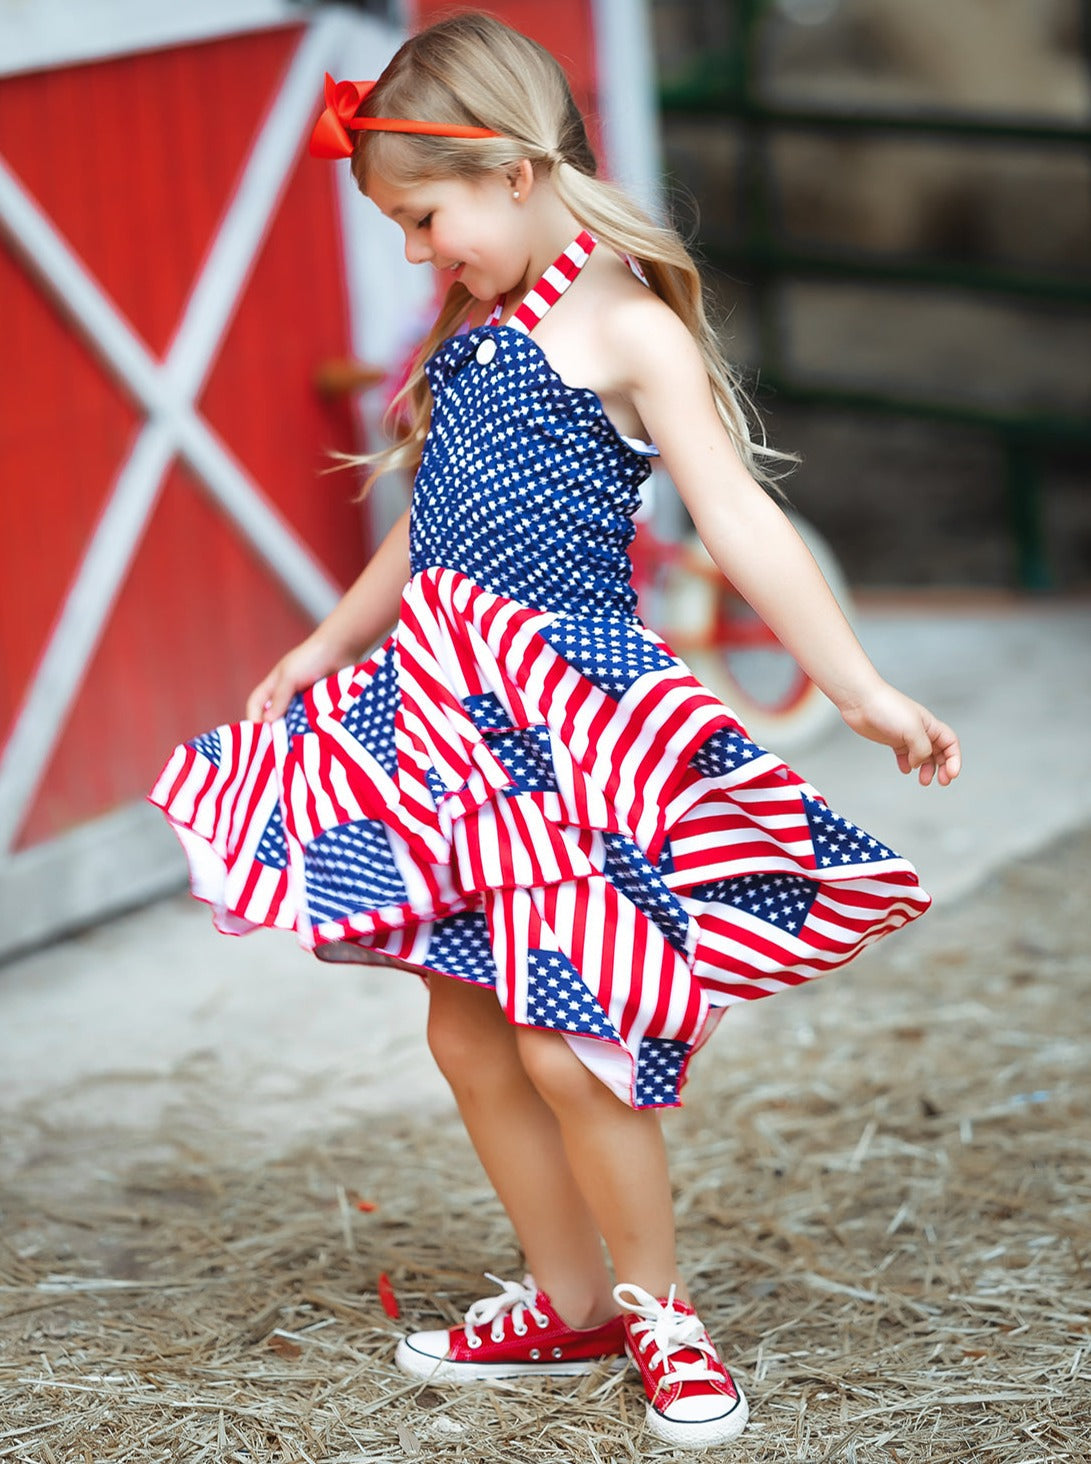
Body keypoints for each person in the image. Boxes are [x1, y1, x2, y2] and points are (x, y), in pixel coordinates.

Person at [150, 13, 960, 1451]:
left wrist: (857, 688)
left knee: (571, 1046)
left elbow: (739, 520)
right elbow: (428, 532)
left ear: (519, 174)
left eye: (424, 216)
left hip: (564, 733)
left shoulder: (629, 327)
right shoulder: (472, 336)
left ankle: (659, 1310)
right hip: (439, 719)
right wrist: (325, 643)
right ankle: (567, 1295)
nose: (413, 251)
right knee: (467, 1034)